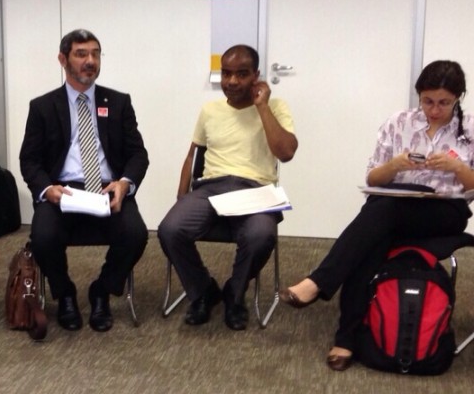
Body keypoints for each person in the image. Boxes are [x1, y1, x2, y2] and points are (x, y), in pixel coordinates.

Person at [281, 60, 473, 371]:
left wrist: (458, 168)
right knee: (373, 239)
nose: (434, 110)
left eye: (444, 103)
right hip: (395, 204)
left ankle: (320, 284)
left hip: (445, 211)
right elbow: (373, 179)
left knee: (380, 214)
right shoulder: (399, 122)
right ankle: (345, 339)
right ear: (418, 95)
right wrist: (395, 165)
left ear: (458, 98)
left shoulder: (470, 128)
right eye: (427, 101)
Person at [157, 45, 298, 330]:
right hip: (211, 187)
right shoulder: (210, 110)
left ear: (256, 75)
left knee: (260, 236)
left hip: (256, 190)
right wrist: (181, 198)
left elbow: (286, 152)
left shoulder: (276, 107)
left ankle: (235, 293)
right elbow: (192, 155)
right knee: (170, 229)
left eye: (242, 74)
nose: (232, 81)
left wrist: (262, 107)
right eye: (226, 73)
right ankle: (203, 290)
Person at [18, 29, 149, 333]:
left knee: (136, 234)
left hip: (106, 187)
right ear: (63, 59)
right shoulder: (43, 106)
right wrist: (47, 189)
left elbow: (137, 154)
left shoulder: (118, 102)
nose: (90, 61)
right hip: (63, 190)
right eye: (81, 54)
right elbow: (30, 160)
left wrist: (124, 183)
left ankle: (102, 290)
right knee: (42, 237)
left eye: (95, 54)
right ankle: (64, 293)